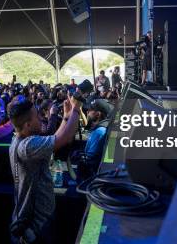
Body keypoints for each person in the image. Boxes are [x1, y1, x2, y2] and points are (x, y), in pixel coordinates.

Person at [8, 95, 81, 243]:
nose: (41, 119)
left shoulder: (21, 140)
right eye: (37, 116)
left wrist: (66, 117)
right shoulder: (27, 146)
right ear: (28, 125)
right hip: (37, 225)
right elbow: (65, 138)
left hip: (39, 220)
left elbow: (55, 137)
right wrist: (76, 109)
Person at [84, 99, 113, 172]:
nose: (87, 112)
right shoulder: (99, 129)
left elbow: (90, 160)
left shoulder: (100, 132)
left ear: (98, 114)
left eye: (90, 110)